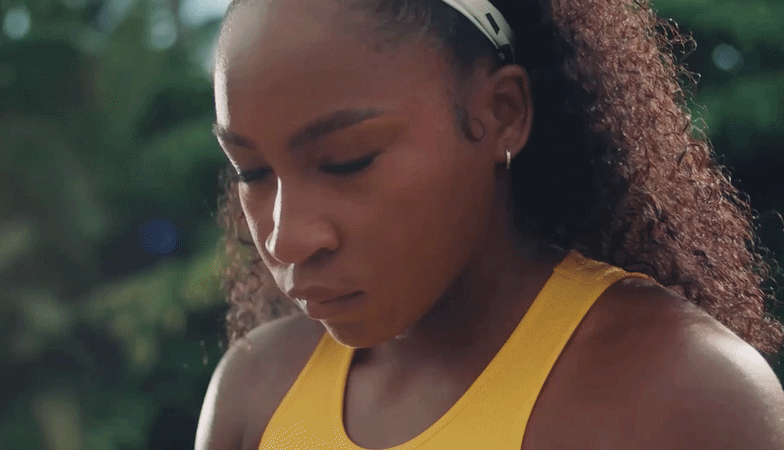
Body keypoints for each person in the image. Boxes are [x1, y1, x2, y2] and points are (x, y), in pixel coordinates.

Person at [196, 0, 784, 448]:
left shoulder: (679, 396)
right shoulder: (255, 392)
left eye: (347, 161)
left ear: (502, 113)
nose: (286, 239)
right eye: (251, 172)